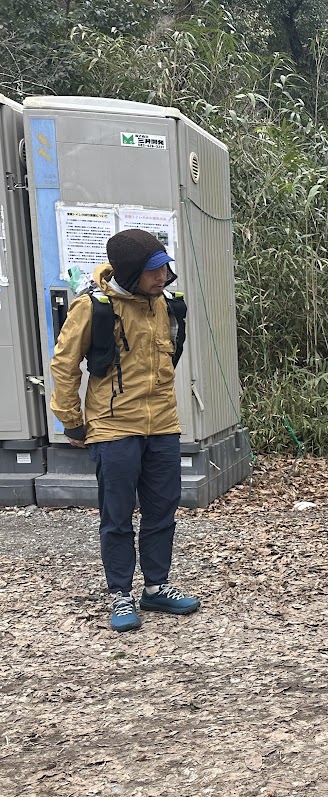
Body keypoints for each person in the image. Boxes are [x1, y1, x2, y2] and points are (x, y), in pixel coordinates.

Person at [48, 229, 201, 632]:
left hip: (163, 424)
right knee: (117, 516)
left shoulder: (167, 304)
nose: (163, 276)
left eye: (164, 268)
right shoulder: (93, 308)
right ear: (130, 273)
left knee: (162, 509)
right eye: (153, 271)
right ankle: (120, 594)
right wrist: (71, 420)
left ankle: (156, 587)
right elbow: (65, 364)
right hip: (112, 427)